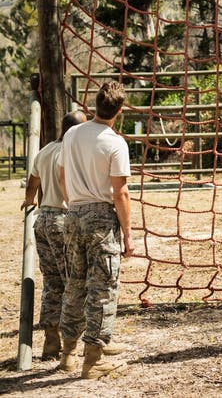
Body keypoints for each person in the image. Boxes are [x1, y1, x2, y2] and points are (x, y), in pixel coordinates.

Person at [57, 81, 134, 379]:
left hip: (73, 213)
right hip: (101, 217)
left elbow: (62, 175)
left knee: (75, 283)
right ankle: (94, 359)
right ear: (120, 110)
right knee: (103, 287)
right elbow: (120, 193)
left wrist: (74, 203)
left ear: (94, 105)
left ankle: (68, 354)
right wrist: (128, 233)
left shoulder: (73, 133)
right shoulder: (115, 143)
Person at [21, 110, 87, 360]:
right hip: (63, 218)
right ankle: (76, 340)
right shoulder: (71, 152)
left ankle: (51, 340)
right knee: (74, 280)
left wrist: (29, 201)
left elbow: (33, 180)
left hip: (44, 220)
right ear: (74, 130)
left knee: (52, 282)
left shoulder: (46, 149)